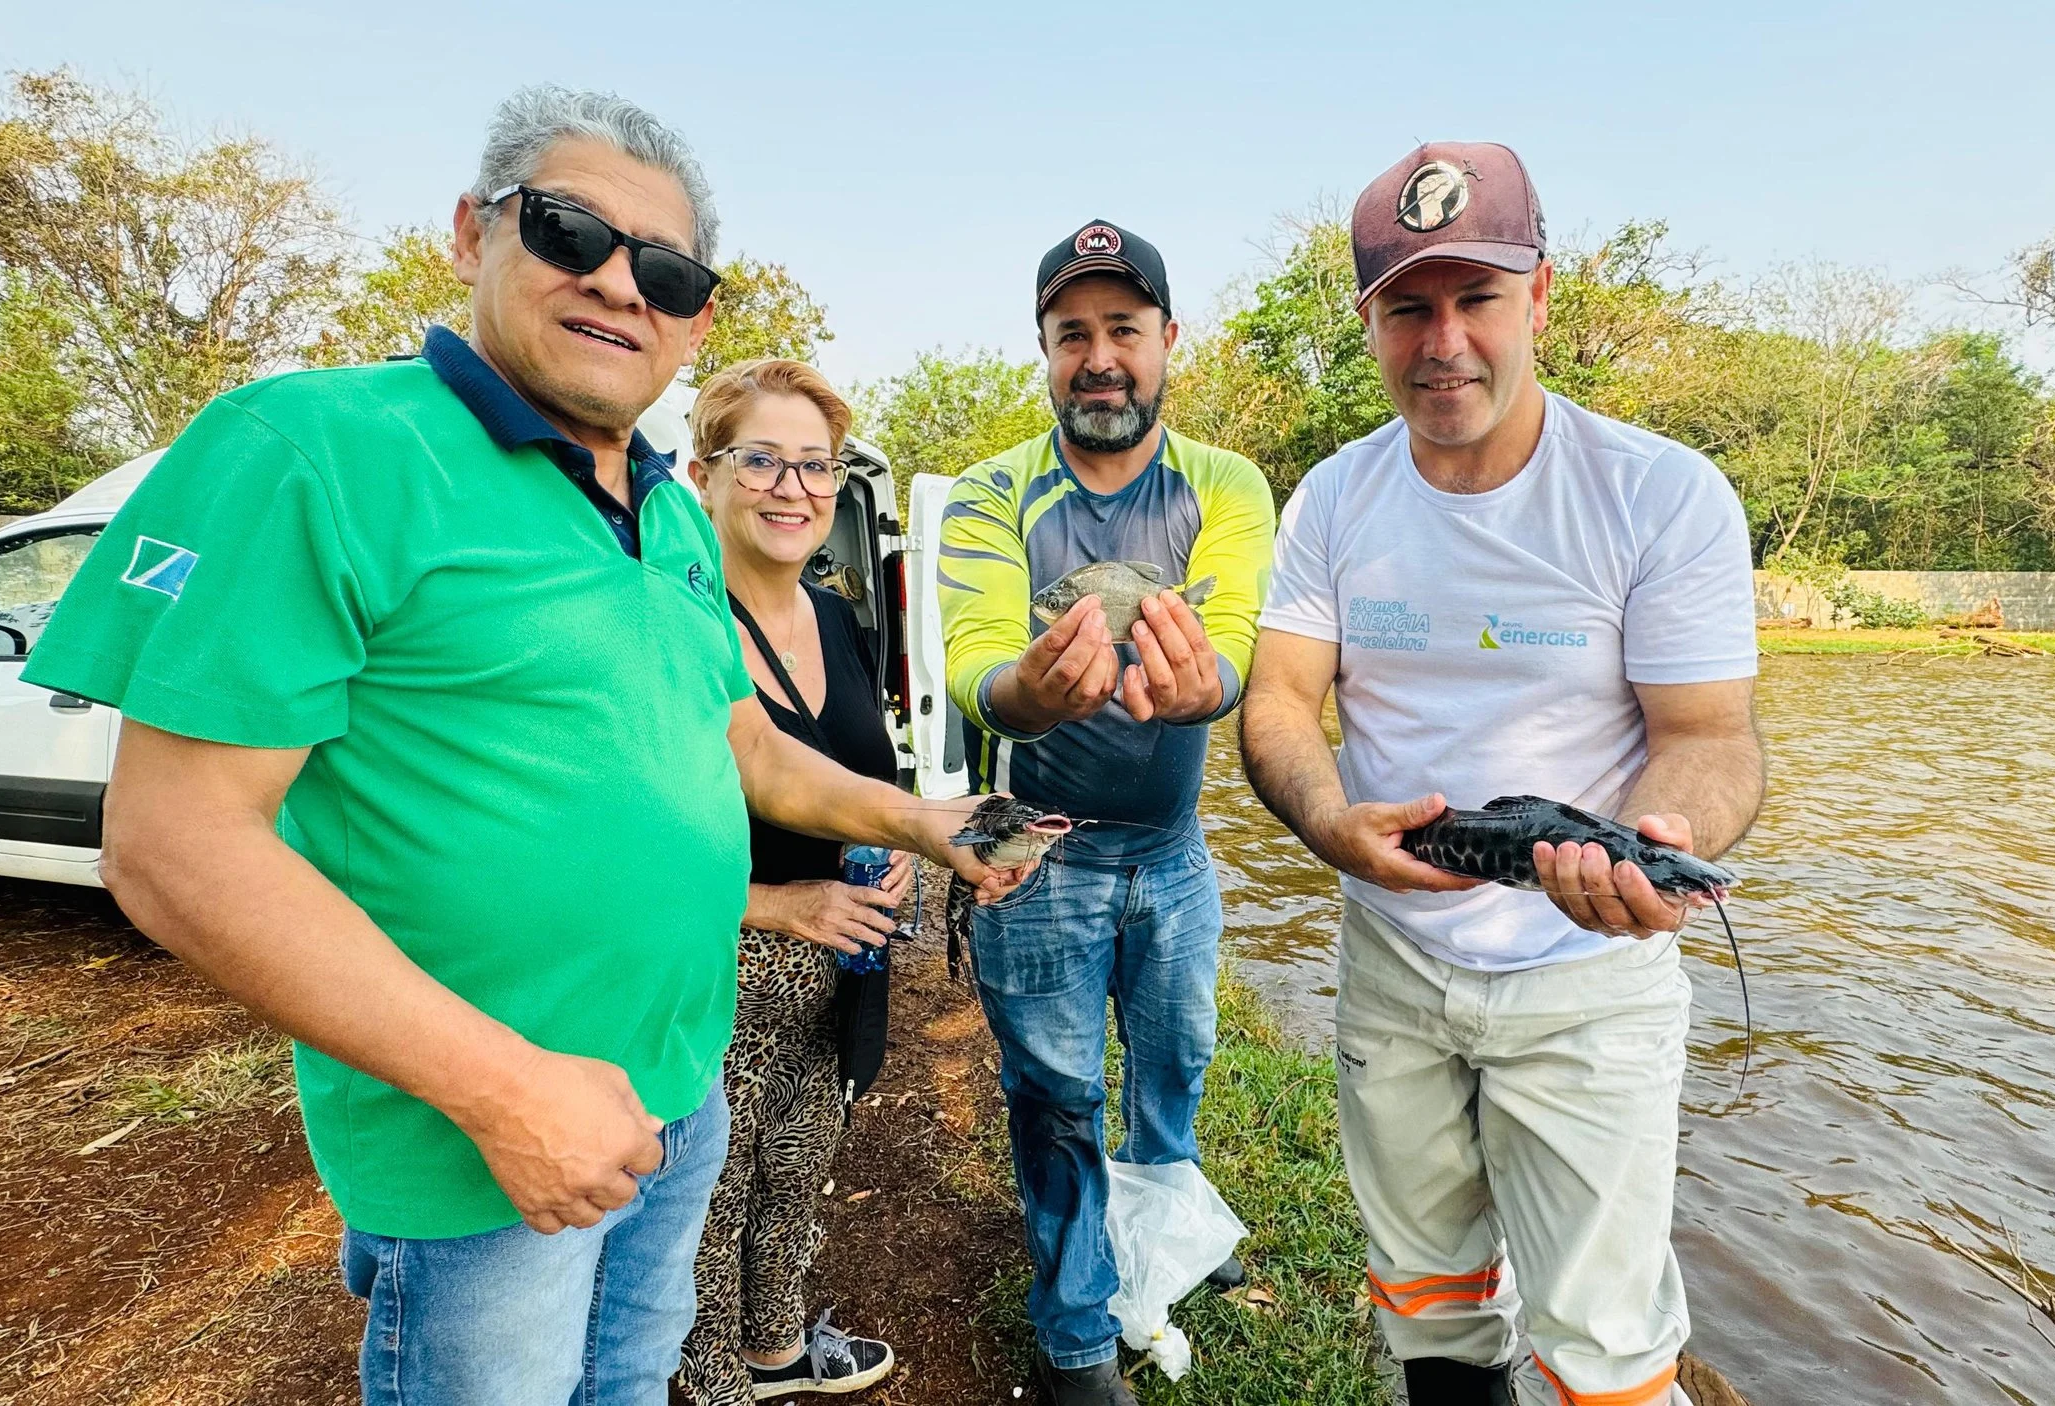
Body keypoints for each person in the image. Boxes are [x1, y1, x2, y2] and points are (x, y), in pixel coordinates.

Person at [19, 87, 1029, 1406]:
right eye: (569, 230)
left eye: (664, 269)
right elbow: (174, 842)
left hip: (677, 1098)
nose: (618, 283)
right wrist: (504, 1092)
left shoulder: (667, 517)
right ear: (471, 231)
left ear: (695, 318)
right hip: (484, 1154)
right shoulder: (313, 447)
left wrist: (928, 822)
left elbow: (754, 757)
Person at [1239, 143, 1766, 1406]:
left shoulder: (1660, 495)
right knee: (1425, 1292)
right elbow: (1276, 702)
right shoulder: (1331, 498)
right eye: (1409, 305)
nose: (1443, 341)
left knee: (1602, 1342)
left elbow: (1711, 733)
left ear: (1538, 299)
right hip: (1395, 958)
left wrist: (1658, 840)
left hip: (1588, 974)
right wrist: (1326, 820)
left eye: (1475, 298)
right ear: (1369, 321)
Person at [936, 220, 1277, 1405]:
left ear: (1166, 340)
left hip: (1172, 847)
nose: (1100, 357)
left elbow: (1227, 639)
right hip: (1036, 850)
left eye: (1122, 329)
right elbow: (980, 658)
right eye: (1071, 333)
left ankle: (1167, 1226)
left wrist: (1209, 684)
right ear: (1042, 349)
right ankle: (1077, 1329)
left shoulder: (1226, 483)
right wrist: (1025, 692)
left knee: (1175, 1062)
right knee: (1054, 1092)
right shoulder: (987, 494)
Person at [671, 360, 902, 1403]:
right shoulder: (676, 630)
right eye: (760, 458)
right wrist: (774, 906)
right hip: (717, 960)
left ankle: (772, 1349)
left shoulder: (842, 619)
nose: (792, 487)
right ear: (701, 472)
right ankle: (708, 1378)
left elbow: (867, 780)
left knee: (799, 1160)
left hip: (837, 960)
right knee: (704, 1194)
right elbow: (629, 842)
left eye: (816, 465)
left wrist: (898, 847)